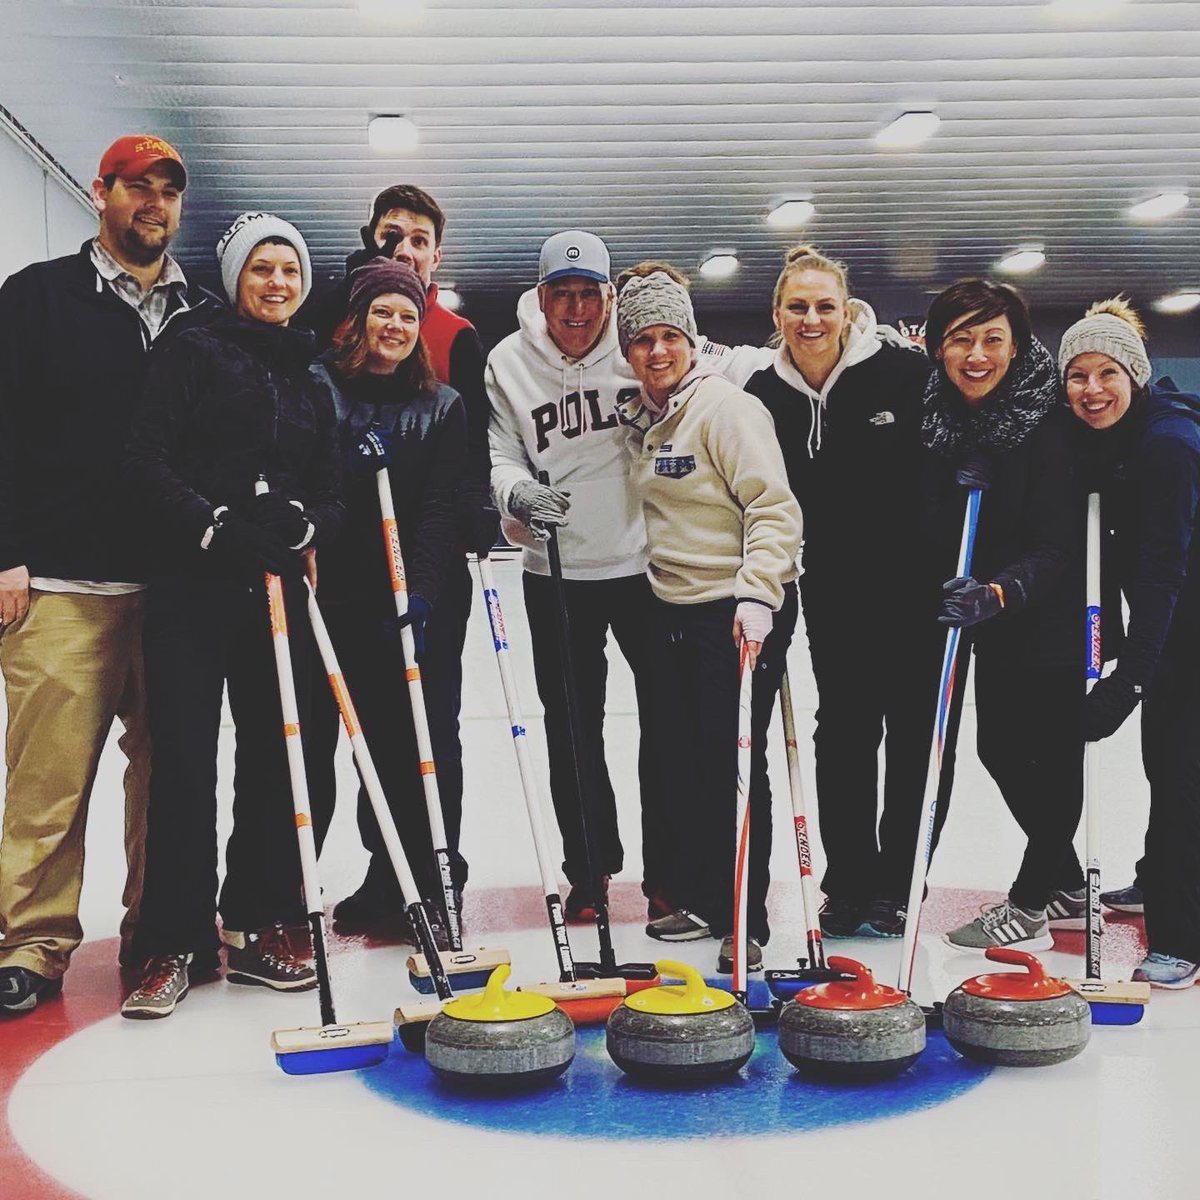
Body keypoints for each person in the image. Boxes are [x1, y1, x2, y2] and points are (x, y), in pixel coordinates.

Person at [486, 233, 765, 921]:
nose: (576, 309)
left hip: (648, 568)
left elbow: (735, 365)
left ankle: (669, 873)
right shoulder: (508, 362)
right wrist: (516, 494)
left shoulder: (643, 340)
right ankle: (588, 868)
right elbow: (500, 454)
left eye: (590, 294)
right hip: (556, 570)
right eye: (562, 294)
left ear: (610, 297)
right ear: (542, 296)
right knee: (571, 729)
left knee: (667, 727)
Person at [0, 135, 212, 1016]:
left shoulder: (198, 312)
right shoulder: (38, 297)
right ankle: (31, 942)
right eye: (137, 188)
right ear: (101, 193)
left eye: (167, 192)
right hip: (61, 585)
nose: (152, 204)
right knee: (49, 779)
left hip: (170, 591)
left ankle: (154, 931)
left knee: (166, 777)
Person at [120, 212, 343, 1019]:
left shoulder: (308, 367)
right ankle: (172, 939)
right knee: (182, 758)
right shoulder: (191, 347)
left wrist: (307, 524)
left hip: (276, 586)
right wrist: (216, 524)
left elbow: (330, 480)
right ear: (234, 276)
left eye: (289, 270)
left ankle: (257, 919)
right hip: (192, 584)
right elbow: (144, 460)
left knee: (277, 755)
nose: (277, 283)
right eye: (262, 269)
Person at [302, 184, 497, 924]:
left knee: (420, 731)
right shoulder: (327, 348)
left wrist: (429, 578)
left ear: (437, 256)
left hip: (423, 575)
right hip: (339, 586)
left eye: (419, 239)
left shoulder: (455, 345)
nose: (405, 251)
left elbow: (460, 471)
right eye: (391, 238)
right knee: (343, 734)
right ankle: (367, 882)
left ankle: (426, 879)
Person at [741, 245, 935, 939]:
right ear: (778, 314)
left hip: (915, 589)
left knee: (913, 732)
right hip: (832, 591)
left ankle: (899, 883)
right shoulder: (763, 396)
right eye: (798, 306)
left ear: (847, 311)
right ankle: (849, 882)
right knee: (846, 730)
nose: (812, 317)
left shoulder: (905, 375)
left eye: (826, 305)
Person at [615, 270, 802, 970]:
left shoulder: (725, 409)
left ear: (691, 341)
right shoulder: (648, 414)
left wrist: (758, 592)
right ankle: (699, 893)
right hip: (672, 607)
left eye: (670, 337)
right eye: (642, 340)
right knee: (685, 764)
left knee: (733, 764)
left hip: (739, 609)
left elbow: (775, 507)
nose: (657, 351)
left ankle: (745, 919)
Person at [921, 279, 1087, 954]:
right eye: (961, 338)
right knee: (999, 749)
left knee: (1052, 760)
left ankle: (1030, 903)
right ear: (937, 348)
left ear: (1016, 348)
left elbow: (1060, 547)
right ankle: (1066, 879)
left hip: (1049, 616)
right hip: (996, 622)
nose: (977, 354)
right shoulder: (943, 414)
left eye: (993, 339)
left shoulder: (1049, 427)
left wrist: (998, 592)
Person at [1060, 297, 1200, 987]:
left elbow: (1161, 571)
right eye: (1077, 376)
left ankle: (1182, 937)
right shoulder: (1103, 441)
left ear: (1137, 376)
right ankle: (1158, 880)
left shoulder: (1169, 445)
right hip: (1169, 626)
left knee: (1182, 780)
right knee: (1166, 767)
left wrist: (1129, 679)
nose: (1091, 390)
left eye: (1107, 374)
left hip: (1186, 619)